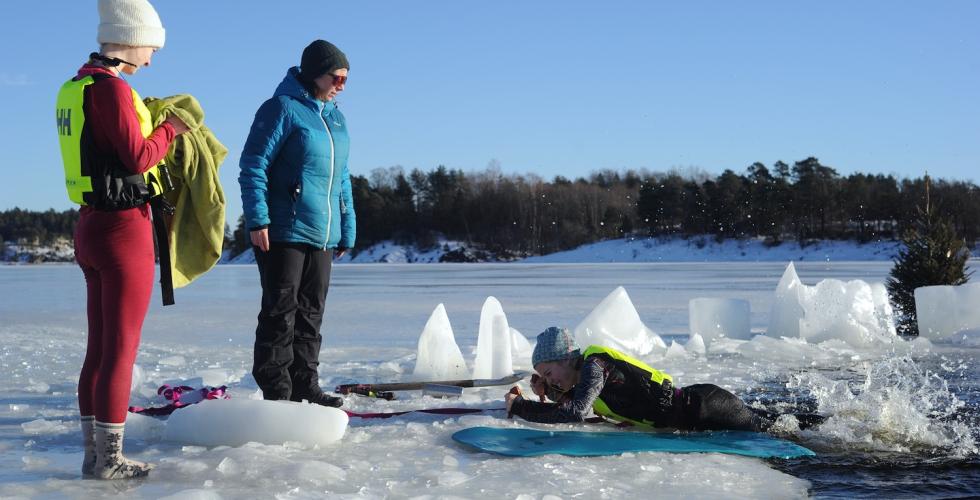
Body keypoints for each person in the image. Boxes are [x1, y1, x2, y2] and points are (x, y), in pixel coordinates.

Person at [56, 0, 189, 479]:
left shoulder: (76, 87)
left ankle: (94, 454)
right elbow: (136, 158)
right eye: (151, 47)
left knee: (99, 346)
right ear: (130, 39)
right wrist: (171, 129)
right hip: (121, 229)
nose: (151, 59)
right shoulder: (111, 91)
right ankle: (109, 460)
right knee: (121, 349)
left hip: (89, 225)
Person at [239, 40, 356, 408]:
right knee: (280, 311)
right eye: (336, 77)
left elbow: (342, 177)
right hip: (283, 230)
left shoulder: (335, 118)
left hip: (322, 232)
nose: (341, 84)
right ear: (314, 73)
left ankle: (306, 383)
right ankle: (278, 390)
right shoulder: (282, 109)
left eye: (346, 79)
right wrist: (258, 218)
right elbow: (253, 165)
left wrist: (346, 223)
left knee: (311, 314)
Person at [507, 327, 823, 431]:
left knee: (782, 430)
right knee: (780, 424)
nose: (552, 380)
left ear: (566, 358)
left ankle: (841, 427)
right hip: (697, 414)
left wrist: (519, 407)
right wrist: (545, 388)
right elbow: (577, 400)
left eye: (550, 373)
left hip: (706, 407)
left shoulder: (596, 364)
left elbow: (575, 412)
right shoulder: (585, 376)